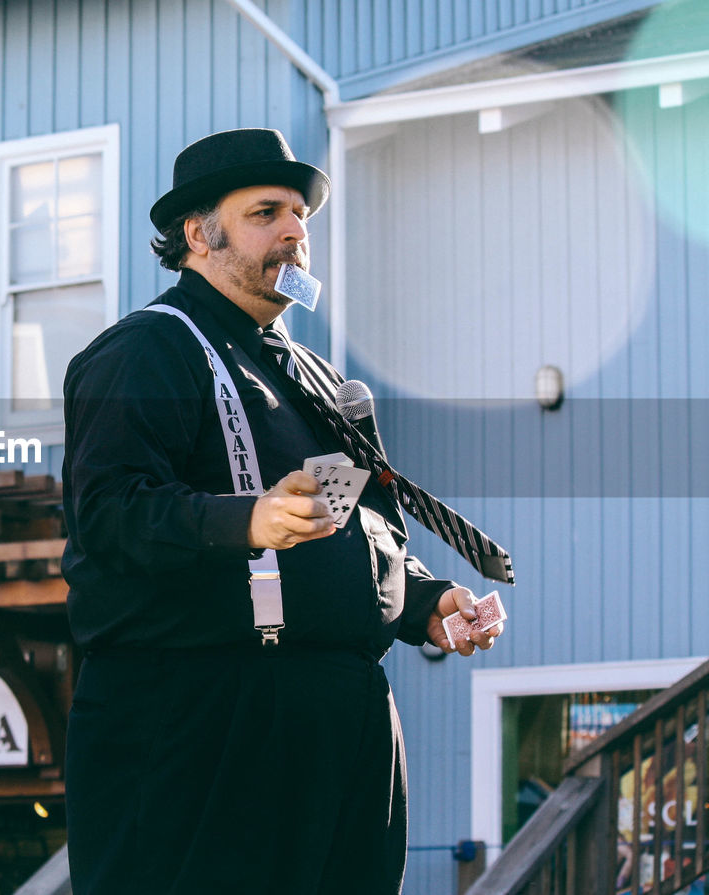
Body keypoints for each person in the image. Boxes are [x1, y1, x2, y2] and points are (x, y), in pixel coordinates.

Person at [60, 128, 508, 895]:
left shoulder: (327, 382)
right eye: (266, 212)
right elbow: (106, 515)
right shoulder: (145, 351)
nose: (297, 232)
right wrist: (245, 520)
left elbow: (373, 530)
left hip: (346, 719)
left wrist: (428, 602)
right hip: (206, 719)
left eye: (300, 215)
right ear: (198, 234)